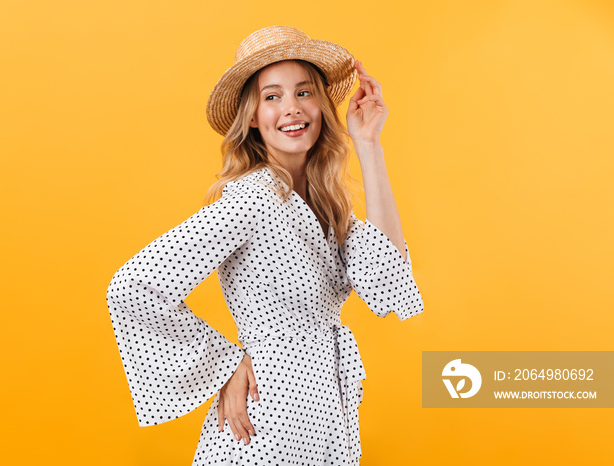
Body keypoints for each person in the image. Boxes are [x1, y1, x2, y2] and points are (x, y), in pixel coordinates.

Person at [106, 25, 424, 466]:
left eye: (304, 92)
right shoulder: (252, 198)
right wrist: (223, 364)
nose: (291, 109)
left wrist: (368, 144)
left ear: (321, 105)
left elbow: (390, 279)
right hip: (265, 427)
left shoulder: (327, 203)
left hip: (326, 422)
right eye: (271, 96)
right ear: (252, 116)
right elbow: (133, 287)